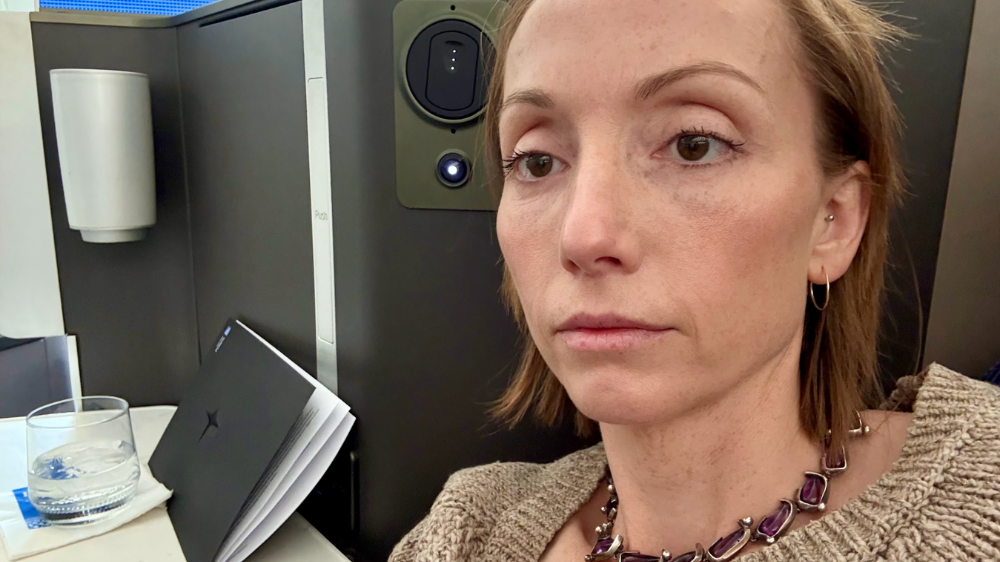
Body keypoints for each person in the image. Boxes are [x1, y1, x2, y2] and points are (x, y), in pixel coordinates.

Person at [390, 0, 1000, 560]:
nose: (583, 237)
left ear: (832, 221)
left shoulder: (983, 482)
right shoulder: (466, 530)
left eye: (694, 144)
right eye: (537, 160)